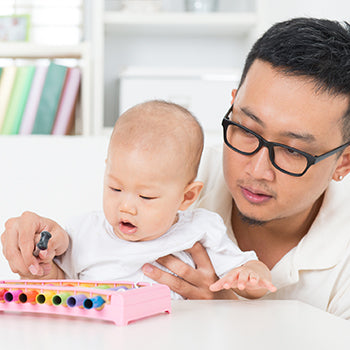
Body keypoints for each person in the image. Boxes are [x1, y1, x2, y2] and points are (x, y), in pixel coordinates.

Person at [2, 16, 350, 316]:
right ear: (233, 104)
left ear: (343, 161)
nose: (257, 170)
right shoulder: (166, 169)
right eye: (246, 129)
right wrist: (38, 243)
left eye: (293, 151)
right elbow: (76, 259)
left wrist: (228, 312)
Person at [1, 100, 275, 300]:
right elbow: (62, 285)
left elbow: (248, 276)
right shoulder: (83, 232)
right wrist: (43, 269)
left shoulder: (200, 229)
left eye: (146, 196)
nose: (126, 206)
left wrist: (251, 276)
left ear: (186, 196)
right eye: (115, 188)